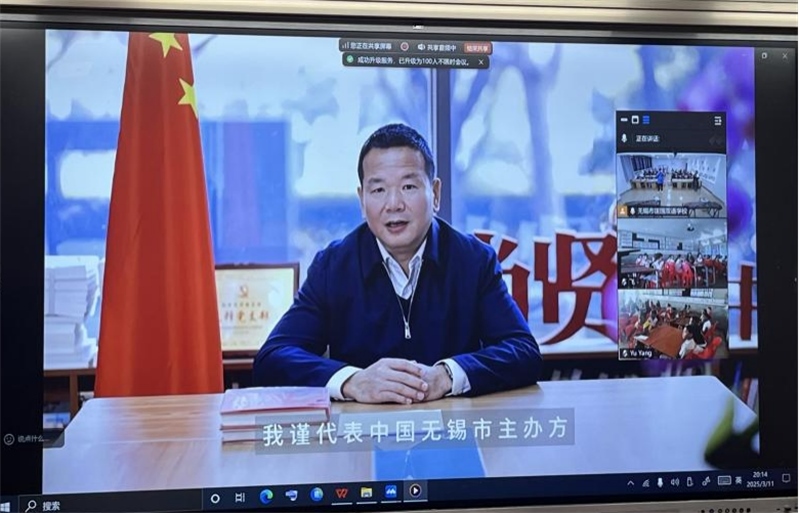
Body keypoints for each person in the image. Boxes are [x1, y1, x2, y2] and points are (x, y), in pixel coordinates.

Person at [252, 123, 542, 404]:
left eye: (408, 186)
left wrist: (446, 376)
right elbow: (273, 357)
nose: (393, 204)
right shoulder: (333, 266)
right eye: (378, 190)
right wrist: (354, 381)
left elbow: (523, 351)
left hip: (453, 427)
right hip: (362, 430)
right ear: (362, 200)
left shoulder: (473, 260)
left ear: (435, 193)